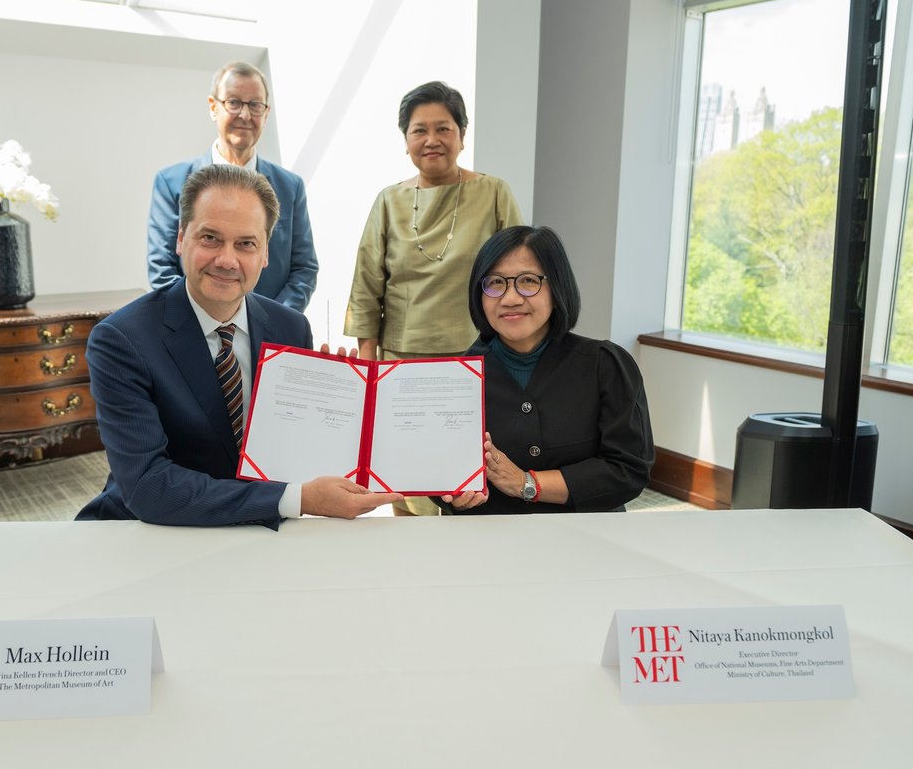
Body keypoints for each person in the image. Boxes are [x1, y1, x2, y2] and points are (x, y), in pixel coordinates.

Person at [78, 165, 400, 528]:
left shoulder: (291, 328)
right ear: (181, 238)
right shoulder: (121, 340)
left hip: (260, 529)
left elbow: (292, 455)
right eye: (210, 238)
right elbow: (150, 488)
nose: (227, 260)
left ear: (265, 253)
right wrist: (298, 498)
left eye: (245, 243)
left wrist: (334, 409)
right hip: (148, 531)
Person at [344, 80, 524, 515]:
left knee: (465, 478)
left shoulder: (494, 193)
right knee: (406, 481)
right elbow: (366, 291)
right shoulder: (388, 201)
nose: (431, 140)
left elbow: (518, 274)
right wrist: (369, 373)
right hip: (399, 364)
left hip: (474, 360)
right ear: (405, 140)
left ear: (462, 134)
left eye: (443, 128)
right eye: (418, 130)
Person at [439, 225, 655, 515]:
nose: (510, 298)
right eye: (495, 283)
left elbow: (628, 471)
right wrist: (449, 495)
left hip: (588, 540)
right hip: (491, 541)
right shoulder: (454, 378)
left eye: (528, 281)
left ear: (557, 288)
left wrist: (526, 483)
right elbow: (436, 471)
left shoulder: (605, 364)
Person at [146, 61, 318, 312]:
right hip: (195, 335)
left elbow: (304, 268)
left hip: (268, 338)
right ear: (213, 107)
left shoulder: (290, 187)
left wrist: (268, 322)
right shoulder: (171, 183)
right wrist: (210, 323)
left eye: (255, 105)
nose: (245, 115)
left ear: (266, 113)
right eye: (234, 103)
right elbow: (162, 270)